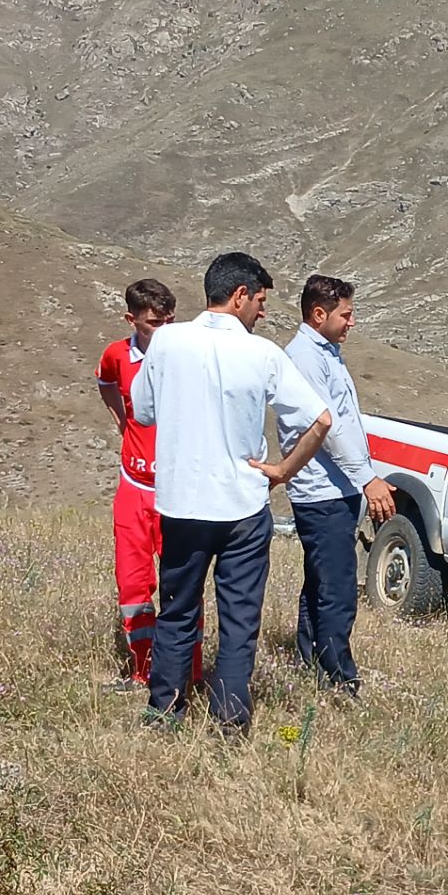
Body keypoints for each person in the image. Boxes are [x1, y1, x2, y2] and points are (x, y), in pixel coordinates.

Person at [131, 252, 331, 737]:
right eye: (260, 301)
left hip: (183, 504)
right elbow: (321, 419)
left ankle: (166, 712)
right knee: (240, 619)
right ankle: (230, 720)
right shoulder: (263, 354)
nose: (262, 312)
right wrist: (282, 470)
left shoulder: (167, 342)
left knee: (178, 610)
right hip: (243, 505)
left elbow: (141, 410)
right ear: (239, 295)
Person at [283, 274, 397, 694]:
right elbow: (327, 428)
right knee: (337, 587)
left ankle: (310, 658)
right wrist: (367, 478)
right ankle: (338, 676)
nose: (351, 323)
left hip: (337, 489)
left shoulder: (326, 354)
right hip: (322, 491)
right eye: (345, 315)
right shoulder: (305, 358)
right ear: (319, 314)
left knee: (321, 580)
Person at [95, 279, 200, 693]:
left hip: (176, 491)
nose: (163, 329)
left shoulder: (184, 356)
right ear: (132, 319)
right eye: (154, 322)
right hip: (133, 488)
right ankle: (142, 671)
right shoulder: (117, 356)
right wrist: (122, 421)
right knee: (134, 584)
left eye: (169, 320)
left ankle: (187, 672)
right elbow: (105, 382)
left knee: (183, 584)